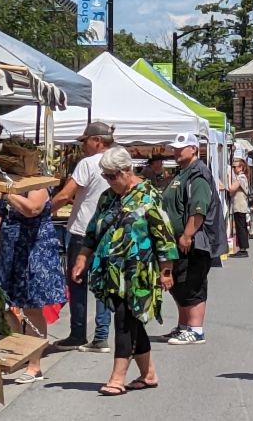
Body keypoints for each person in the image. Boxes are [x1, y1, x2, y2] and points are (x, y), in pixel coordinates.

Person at [72, 146, 177, 397]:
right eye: (105, 176)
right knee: (132, 320)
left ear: (127, 170)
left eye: (112, 175)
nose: (108, 181)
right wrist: (81, 258)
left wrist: (166, 270)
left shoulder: (148, 195)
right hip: (111, 271)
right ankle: (148, 374)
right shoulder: (107, 197)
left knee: (124, 320)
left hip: (138, 272)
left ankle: (117, 378)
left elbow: (163, 234)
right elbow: (92, 231)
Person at [49, 121, 114, 353]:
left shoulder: (87, 163)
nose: (83, 146)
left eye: (85, 141)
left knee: (77, 281)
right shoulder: (120, 160)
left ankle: (78, 333)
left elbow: (66, 194)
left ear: (97, 140)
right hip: (108, 232)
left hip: (82, 231)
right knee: (103, 284)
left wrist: (45, 212)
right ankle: (101, 335)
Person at [0, 183, 67, 383]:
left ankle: (34, 365)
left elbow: (32, 209)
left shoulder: (36, 184)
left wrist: (6, 193)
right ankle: (21, 351)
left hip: (33, 251)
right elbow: (1, 212)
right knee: (3, 303)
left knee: (32, 308)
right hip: (10, 250)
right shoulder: (9, 182)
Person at [161, 132, 228, 345]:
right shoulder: (183, 173)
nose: (176, 151)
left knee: (193, 282)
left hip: (196, 241)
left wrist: (188, 234)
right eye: (175, 148)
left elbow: (199, 208)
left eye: (182, 148)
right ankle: (184, 326)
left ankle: (196, 329)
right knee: (180, 283)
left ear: (194, 149)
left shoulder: (198, 174)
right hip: (180, 239)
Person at [228, 157, 251, 258]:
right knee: (241, 227)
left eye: (235, 167)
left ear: (241, 167)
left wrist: (229, 177)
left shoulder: (241, 177)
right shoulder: (242, 177)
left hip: (240, 206)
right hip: (240, 206)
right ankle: (242, 248)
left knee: (240, 227)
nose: (233, 169)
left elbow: (232, 188)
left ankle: (242, 249)